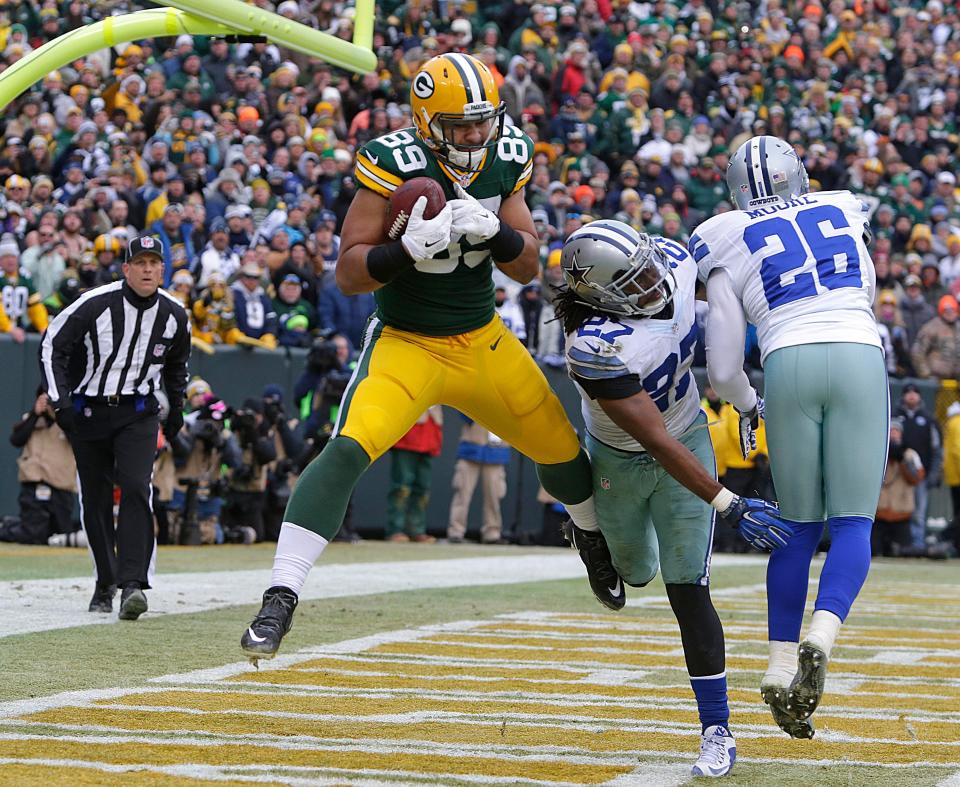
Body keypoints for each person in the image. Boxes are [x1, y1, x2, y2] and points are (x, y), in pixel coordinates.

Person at [241, 53, 601, 661]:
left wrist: (497, 231)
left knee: (562, 448)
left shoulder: (506, 154)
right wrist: (400, 252)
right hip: (406, 342)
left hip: (480, 337)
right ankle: (281, 593)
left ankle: (591, 539)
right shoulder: (391, 162)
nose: (473, 134)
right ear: (426, 121)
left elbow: (529, 264)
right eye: (459, 125)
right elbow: (350, 274)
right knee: (348, 447)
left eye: (481, 121)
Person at [555, 220, 793, 777]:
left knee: (688, 588)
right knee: (635, 574)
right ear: (602, 297)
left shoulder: (672, 259)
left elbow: (732, 299)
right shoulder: (593, 345)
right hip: (625, 455)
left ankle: (717, 729)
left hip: (688, 434)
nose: (653, 283)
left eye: (647, 267)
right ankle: (589, 535)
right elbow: (652, 441)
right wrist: (729, 502)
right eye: (633, 282)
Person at [693, 136, 888, 738]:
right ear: (797, 176)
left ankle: (779, 666)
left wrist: (751, 405)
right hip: (856, 349)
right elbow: (869, 296)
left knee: (795, 524)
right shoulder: (841, 208)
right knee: (853, 522)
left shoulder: (722, 233)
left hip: (786, 358)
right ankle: (822, 635)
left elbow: (723, 368)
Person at [39, 235, 190, 619]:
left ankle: (133, 584)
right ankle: (105, 580)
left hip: (138, 412)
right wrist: (61, 401)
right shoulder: (95, 303)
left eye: (154, 263)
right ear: (125, 268)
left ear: (163, 269)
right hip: (89, 411)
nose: (147, 269)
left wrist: (176, 412)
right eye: (139, 263)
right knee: (96, 499)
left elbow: (176, 365)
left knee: (139, 487)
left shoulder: (174, 314)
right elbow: (52, 344)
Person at [0, 388, 77, 545]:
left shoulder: (68, 421)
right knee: (33, 534)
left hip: (61, 487)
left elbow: (76, 441)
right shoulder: (32, 419)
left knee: (60, 534)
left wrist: (59, 413)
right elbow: (16, 440)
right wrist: (36, 413)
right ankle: (6, 528)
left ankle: (8, 523)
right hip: (34, 486)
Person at [447, 416, 511, 544]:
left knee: (494, 495)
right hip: (471, 446)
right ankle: (456, 531)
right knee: (462, 492)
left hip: (496, 450)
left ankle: (492, 532)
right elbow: (463, 412)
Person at [386, 405, 443, 543]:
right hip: (407, 435)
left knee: (423, 488)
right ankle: (395, 529)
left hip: (429, 435)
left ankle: (417, 530)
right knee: (402, 486)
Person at [895, 383, 941, 553]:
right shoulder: (895, 417)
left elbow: (936, 450)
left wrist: (933, 474)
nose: (912, 395)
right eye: (908, 392)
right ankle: (901, 544)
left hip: (920, 475)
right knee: (898, 510)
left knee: (919, 513)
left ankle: (918, 545)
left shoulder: (928, 420)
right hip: (897, 476)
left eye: (915, 392)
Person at [874, 418, 924, 557]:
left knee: (903, 552)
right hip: (879, 512)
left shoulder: (910, 454)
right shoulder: (877, 452)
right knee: (873, 550)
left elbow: (917, 479)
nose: (893, 434)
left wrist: (903, 461)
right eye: (891, 431)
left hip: (901, 513)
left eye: (896, 431)